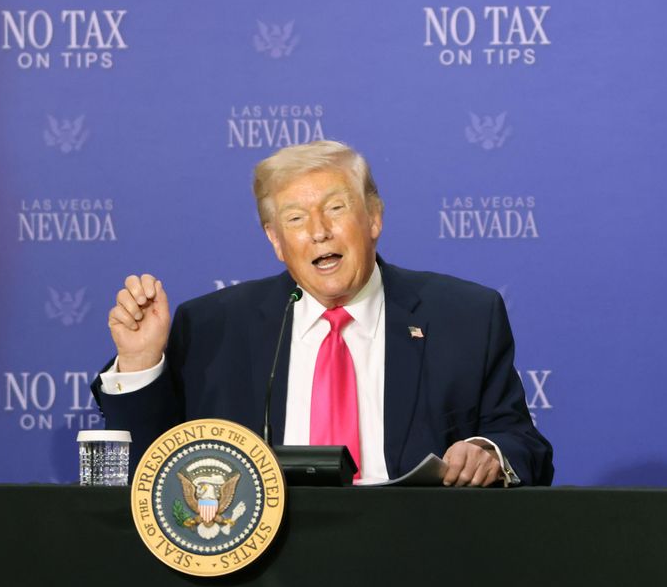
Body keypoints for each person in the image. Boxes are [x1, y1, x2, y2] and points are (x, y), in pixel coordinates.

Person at [91, 141, 553, 486]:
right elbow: (150, 470)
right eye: (295, 219)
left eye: (336, 208)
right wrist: (140, 363)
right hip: (260, 565)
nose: (318, 231)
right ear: (275, 241)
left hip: (417, 554)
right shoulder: (213, 326)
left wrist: (487, 451)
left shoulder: (465, 316)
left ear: (373, 219)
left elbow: (524, 444)